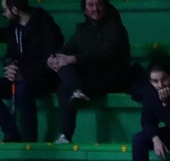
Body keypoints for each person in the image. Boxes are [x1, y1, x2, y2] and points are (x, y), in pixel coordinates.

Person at [47, 0, 132, 145]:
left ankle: (77, 92)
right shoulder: (81, 30)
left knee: (65, 80)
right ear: (85, 10)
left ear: (105, 7)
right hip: (88, 77)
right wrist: (52, 59)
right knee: (63, 77)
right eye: (91, 5)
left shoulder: (116, 28)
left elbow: (104, 54)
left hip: (110, 77)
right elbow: (66, 50)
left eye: (99, 4)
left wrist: (73, 58)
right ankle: (65, 135)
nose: (95, 8)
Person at [0, 0, 63, 143]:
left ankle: (30, 140)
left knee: (23, 89)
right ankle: (10, 132)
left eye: (5, 10)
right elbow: (10, 54)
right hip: (21, 76)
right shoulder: (12, 28)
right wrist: (9, 66)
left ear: (16, 10)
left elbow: (50, 60)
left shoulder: (44, 23)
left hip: (45, 78)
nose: (3, 14)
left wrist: (24, 74)